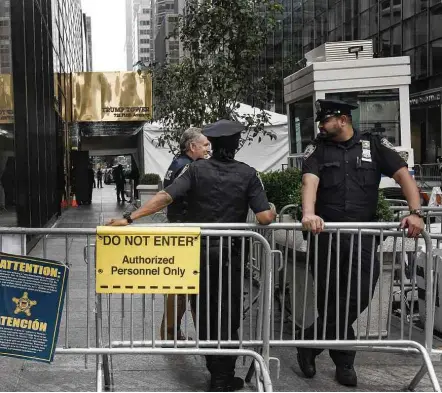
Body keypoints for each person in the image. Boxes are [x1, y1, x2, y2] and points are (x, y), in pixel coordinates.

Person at [107, 119, 276, 391]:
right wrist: (274, 211)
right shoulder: (248, 174)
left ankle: (216, 373)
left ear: (212, 145)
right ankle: (225, 374)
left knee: (205, 312)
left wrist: (130, 217)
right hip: (230, 258)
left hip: (198, 255)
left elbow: (165, 197)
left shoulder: (194, 170)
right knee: (228, 315)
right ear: (236, 145)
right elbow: (265, 216)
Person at [299, 99, 425, 387]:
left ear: (343, 120)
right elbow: (310, 182)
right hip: (326, 237)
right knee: (329, 298)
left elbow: (403, 175)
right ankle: (345, 362)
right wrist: (308, 213)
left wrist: (415, 212)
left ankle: (309, 342)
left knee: (360, 295)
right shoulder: (317, 149)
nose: (320, 124)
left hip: (362, 237)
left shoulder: (374, 145)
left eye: (326, 119)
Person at [160, 127, 211, 341]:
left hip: (179, 230)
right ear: (193, 147)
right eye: (206, 145)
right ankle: (171, 333)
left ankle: (170, 332)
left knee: (180, 286)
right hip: (185, 233)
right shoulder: (188, 167)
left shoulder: (177, 163)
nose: (209, 149)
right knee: (186, 287)